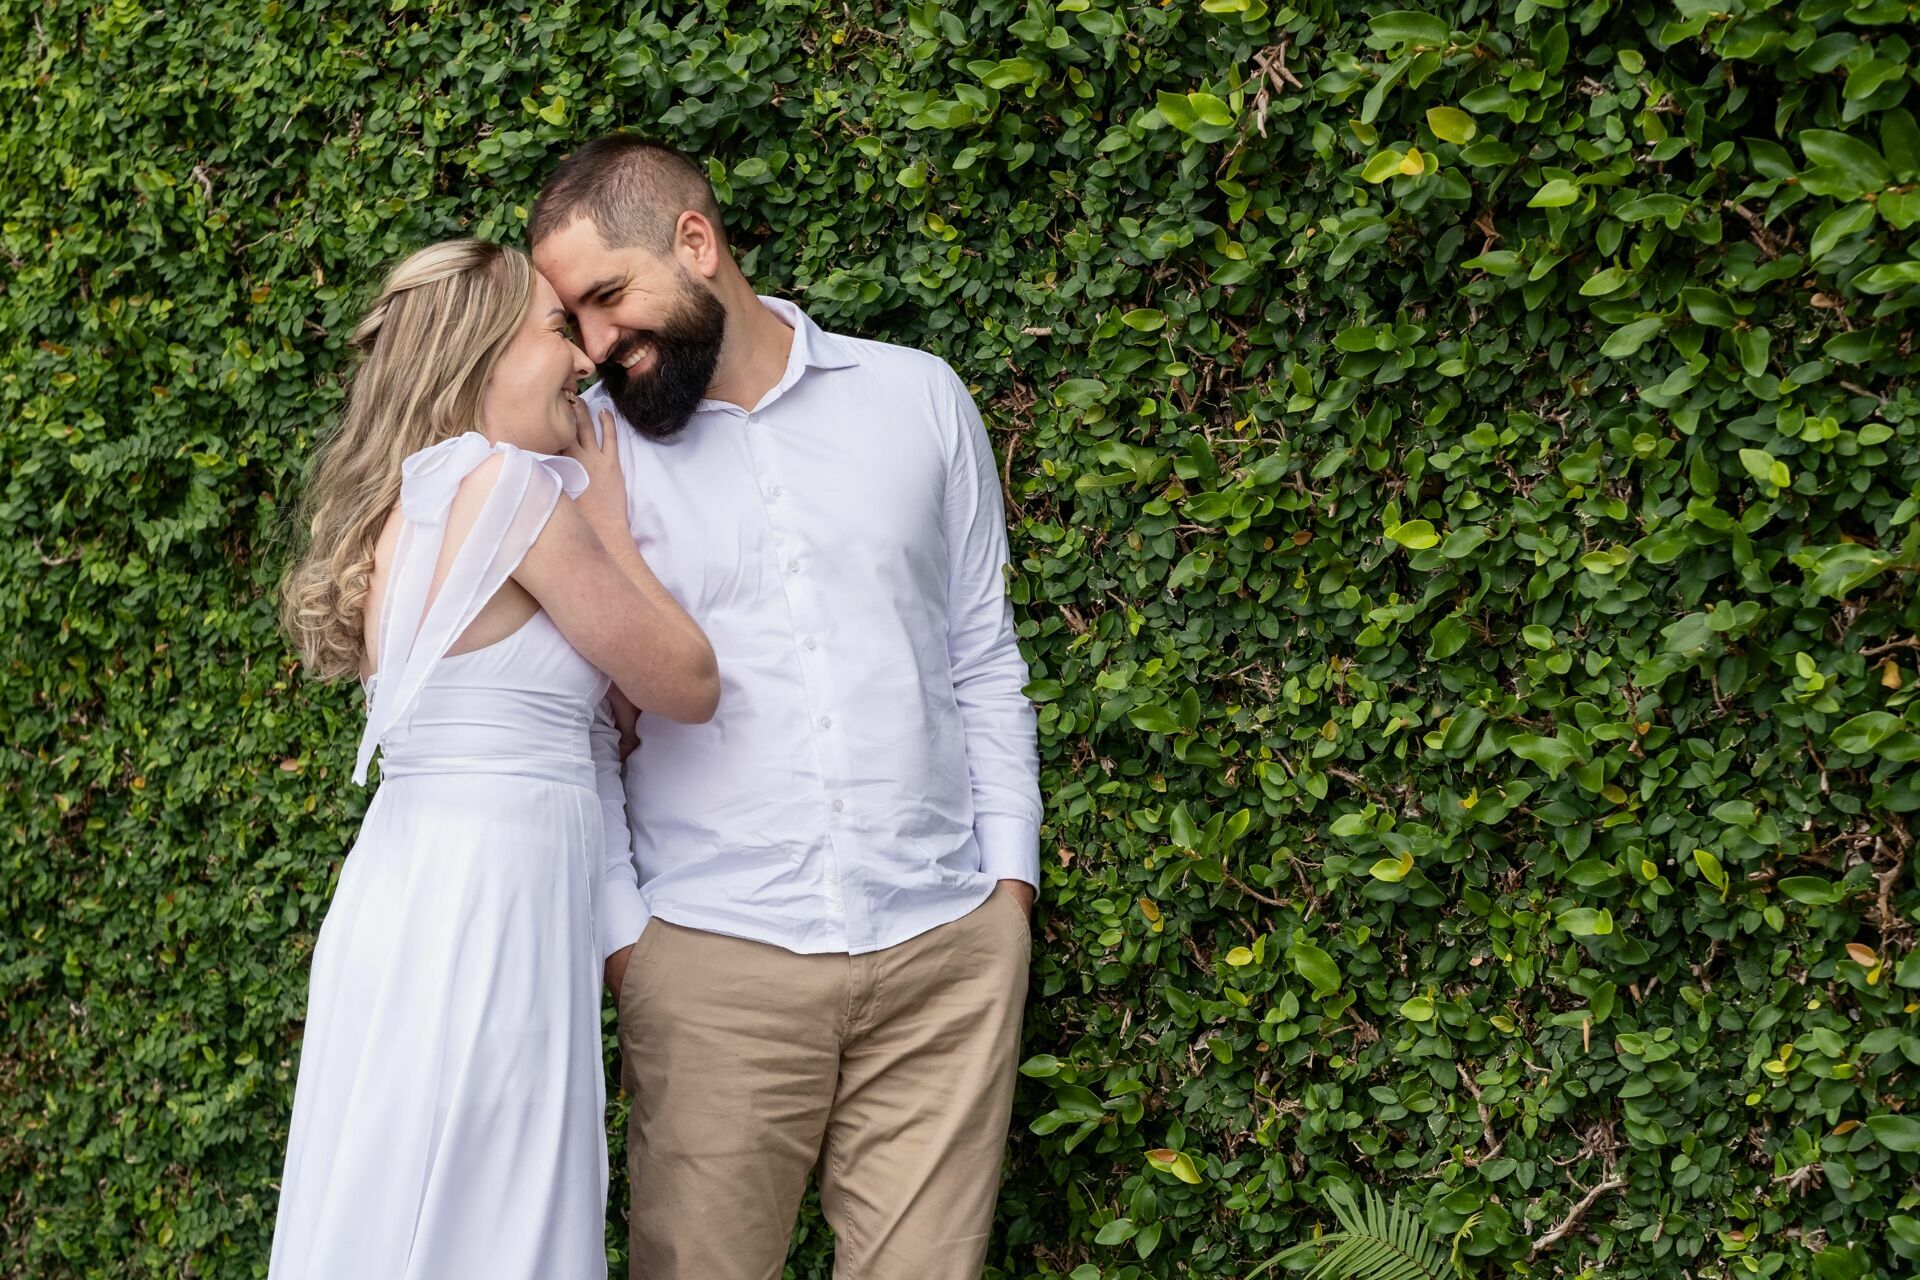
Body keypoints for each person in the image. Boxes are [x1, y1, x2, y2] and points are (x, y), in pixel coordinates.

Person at [531, 136, 1043, 1279]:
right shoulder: (591, 458)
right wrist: (632, 943)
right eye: (578, 320)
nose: (602, 347)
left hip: (944, 958)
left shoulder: (917, 399)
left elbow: (981, 656)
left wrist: (1007, 892)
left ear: (697, 243)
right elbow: (580, 724)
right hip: (714, 965)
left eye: (610, 298)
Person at [270, 239, 718, 1279]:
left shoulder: (416, 505)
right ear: (479, 355)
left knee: (405, 1203)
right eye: (557, 329)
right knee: (495, 1215)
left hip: (414, 892)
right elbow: (688, 682)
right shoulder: (515, 491)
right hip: (490, 912)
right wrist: (607, 522)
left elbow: (570, 715)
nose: (583, 359)